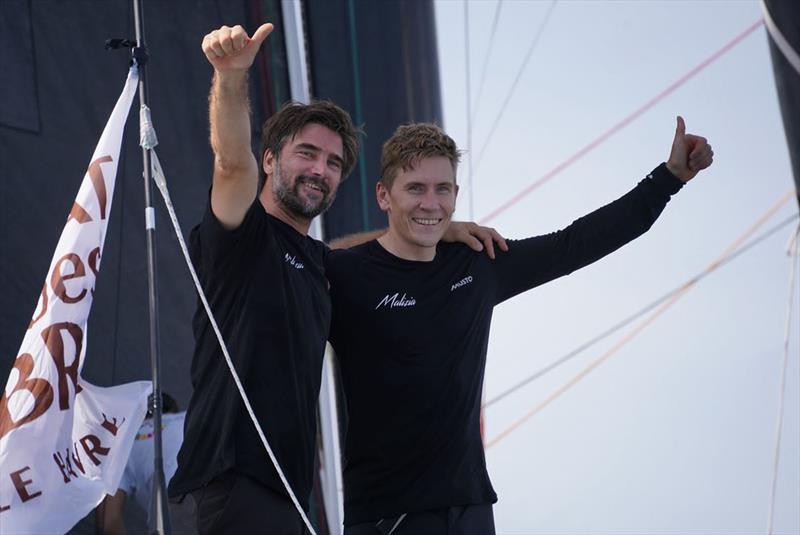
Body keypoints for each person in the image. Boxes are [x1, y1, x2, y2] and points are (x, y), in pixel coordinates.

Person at [168, 23, 503, 535]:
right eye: (307, 153)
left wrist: (432, 231)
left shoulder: (318, 262)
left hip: (289, 496)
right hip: (225, 482)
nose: (320, 169)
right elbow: (231, 164)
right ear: (271, 158)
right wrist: (231, 77)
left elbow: (356, 254)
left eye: (333, 163)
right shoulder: (241, 237)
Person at [326, 120, 713, 534]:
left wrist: (669, 179)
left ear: (456, 195)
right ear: (384, 195)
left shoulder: (478, 263)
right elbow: (293, 257)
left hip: (470, 508)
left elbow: (576, 244)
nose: (430, 203)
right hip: (386, 516)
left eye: (442, 190)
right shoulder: (347, 273)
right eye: (415, 189)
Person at [96, 393, 194, 535]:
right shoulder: (188, 416)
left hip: (175, 506)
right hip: (222, 491)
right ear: (173, 410)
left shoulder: (122, 443)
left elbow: (108, 523)